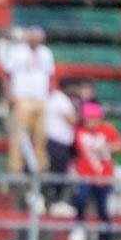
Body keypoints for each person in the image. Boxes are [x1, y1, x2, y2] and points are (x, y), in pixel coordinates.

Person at [67, 102, 121, 240]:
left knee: (103, 208)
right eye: (89, 119)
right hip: (85, 175)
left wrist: (107, 148)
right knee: (81, 199)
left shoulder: (107, 130)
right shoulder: (79, 131)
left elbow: (119, 144)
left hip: (104, 177)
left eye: (95, 119)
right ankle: (80, 226)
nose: (92, 122)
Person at [1, 27, 54, 177]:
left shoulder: (45, 53)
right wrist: (10, 94)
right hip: (22, 97)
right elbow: (5, 73)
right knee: (20, 134)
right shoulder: (18, 52)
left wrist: (50, 92)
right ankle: (16, 167)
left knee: (41, 135)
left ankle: (41, 166)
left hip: (41, 98)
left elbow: (50, 74)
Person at [44, 77, 80, 215]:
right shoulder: (61, 99)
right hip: (57, 142)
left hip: (58, 142)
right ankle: (52, 201)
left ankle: (52, 201)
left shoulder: (56, 98)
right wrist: (78, 111)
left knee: (57, 172)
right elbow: (72, 120)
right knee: (57, 173)